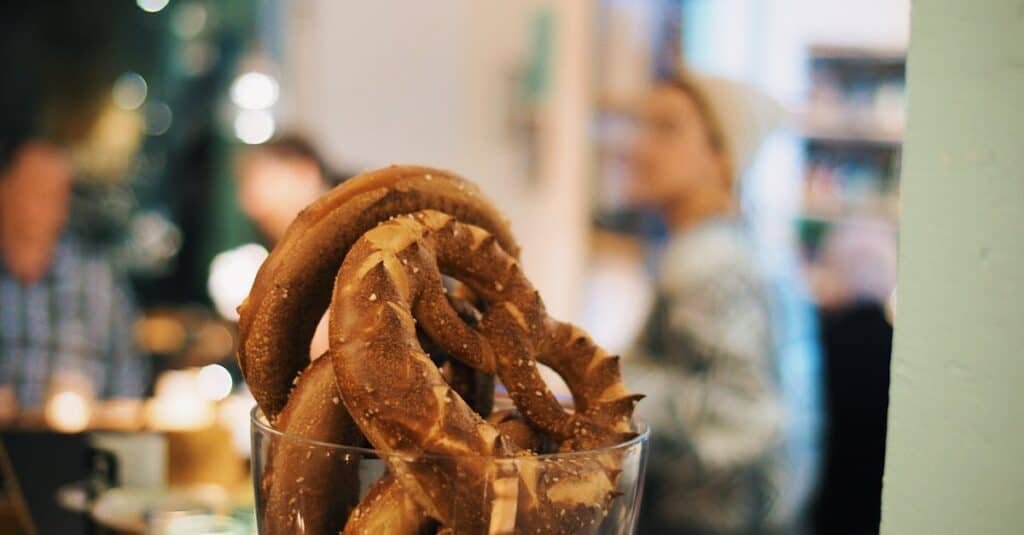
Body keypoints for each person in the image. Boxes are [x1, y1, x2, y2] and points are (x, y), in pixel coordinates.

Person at [624, 73, 822, 533]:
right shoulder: (732, 249)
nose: (640, 147)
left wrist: (604, 387)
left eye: (667, 129)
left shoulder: (711, 264)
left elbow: (745, 415)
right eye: (642, 126)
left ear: (723, 156)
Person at [0, 141, 146, 417]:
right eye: (34, 187)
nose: (48, 202)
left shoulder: (100, 283)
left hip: (79, 452)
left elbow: (129, 385)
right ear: (5, 188)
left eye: (58, 192)